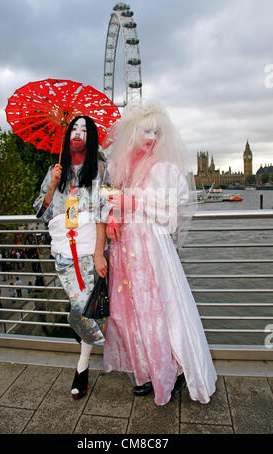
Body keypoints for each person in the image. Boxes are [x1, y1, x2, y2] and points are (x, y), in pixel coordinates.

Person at [103, 102, 217, 406]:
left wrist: (134, 203)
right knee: (129, 311)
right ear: (134, 134)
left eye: (156, 132)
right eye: (145, 131)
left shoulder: (165, 170)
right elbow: (114, 201)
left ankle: (168, 370)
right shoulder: (122, 168)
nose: (151, 137)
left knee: (155, 310)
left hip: (150, 248)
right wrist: (114, 215)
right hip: (124, 248)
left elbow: (170, 214)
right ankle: (145, 370)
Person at [33, 115, 111, 400]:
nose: (78, 134)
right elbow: (39, 211)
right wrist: (53, 184)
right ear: (67, 138)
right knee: (81, 312)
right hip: (64, 252)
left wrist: (100, 252)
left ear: (90, 139)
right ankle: (96, 337)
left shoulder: (102, 169)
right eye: (73, 129)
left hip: (90, 249)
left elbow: (104, 212)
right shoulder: (56, 170)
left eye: (84, 130)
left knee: (84, 309)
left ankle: (81, 370)